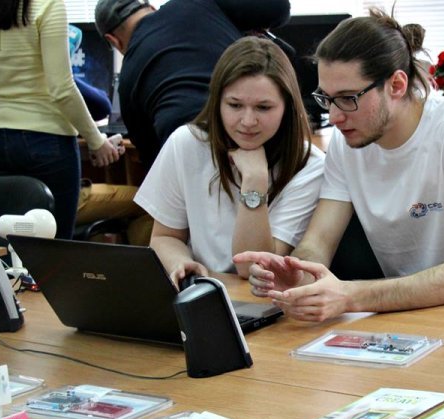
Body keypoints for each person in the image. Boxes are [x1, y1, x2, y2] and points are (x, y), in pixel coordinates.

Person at [234, 10, 444, 323]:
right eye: (327, 98)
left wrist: (350, 296)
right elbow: (318, 241)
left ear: (396, 85)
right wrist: (298, 274)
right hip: (414, 319)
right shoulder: (346, 144)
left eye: (348, 98)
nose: (334, 116)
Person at [133, 36, 324, 285]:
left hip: (263, 302)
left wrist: (254, 181)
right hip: (204, 293)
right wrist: (180, 262)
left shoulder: (309, 164)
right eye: (234, 105)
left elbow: (252, 266)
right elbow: (164, 237)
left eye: (263, 108)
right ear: (217, 102)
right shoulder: (187, 143)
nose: (247, 121)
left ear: (287, 107)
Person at [0, 0, 120, 239]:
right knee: (55, 250)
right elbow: (62, 89)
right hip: (47, 141)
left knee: (11, 245)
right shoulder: (47, 5)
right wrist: (96, 140)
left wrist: (7, 75)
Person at [94, 0, 290, 168]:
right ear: (152, 8)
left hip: (191, 162)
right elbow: (277, 8)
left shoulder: (128, 78)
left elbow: (153, 161)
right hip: (265, 143)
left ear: (114, 41)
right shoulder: (195, 3)